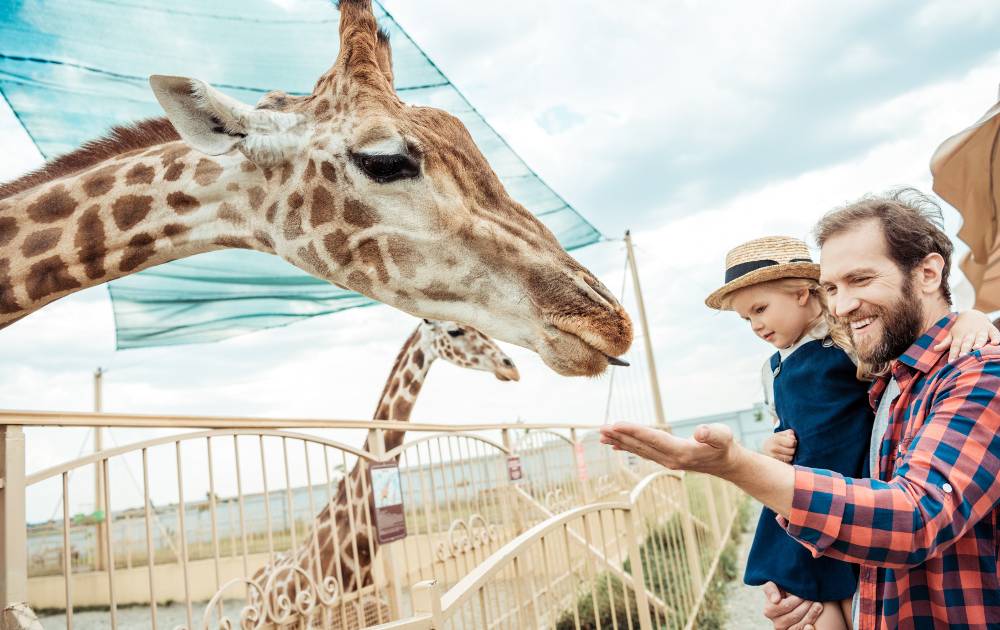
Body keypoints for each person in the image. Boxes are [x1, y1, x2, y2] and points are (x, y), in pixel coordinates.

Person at [601, 189, 1000, 629]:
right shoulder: (887, 380)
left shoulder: (978, 372)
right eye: (832, 287)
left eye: (861, 280)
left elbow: (914, 518)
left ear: (927, 273)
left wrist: (735, 465)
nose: (842, 305)